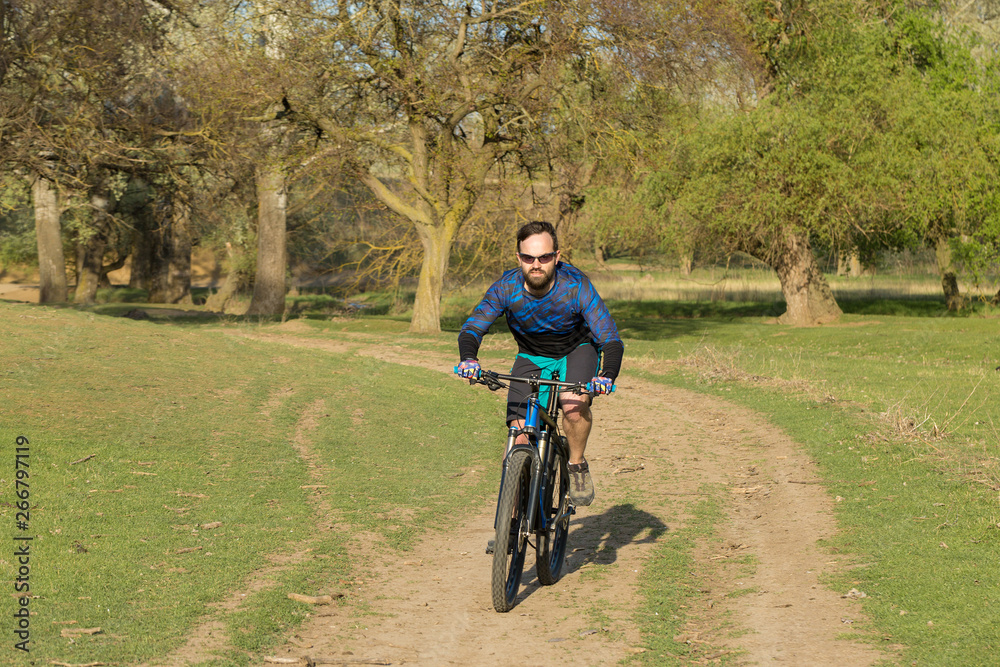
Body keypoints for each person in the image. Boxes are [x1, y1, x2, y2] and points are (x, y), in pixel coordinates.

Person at [455, 221, 624, 506]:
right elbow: (472, 329)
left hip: (576, 348)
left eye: (544, 257)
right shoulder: (505, 288)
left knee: (572, 406)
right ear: (518, 257)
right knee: (518, 437)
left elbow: (610, 339)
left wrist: (606, 375)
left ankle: (576, 463)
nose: (537, 264)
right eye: (529, 257)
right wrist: (469, 359)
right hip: (531, 355)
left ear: (557, 257)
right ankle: (508, 529)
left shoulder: (576, 286)